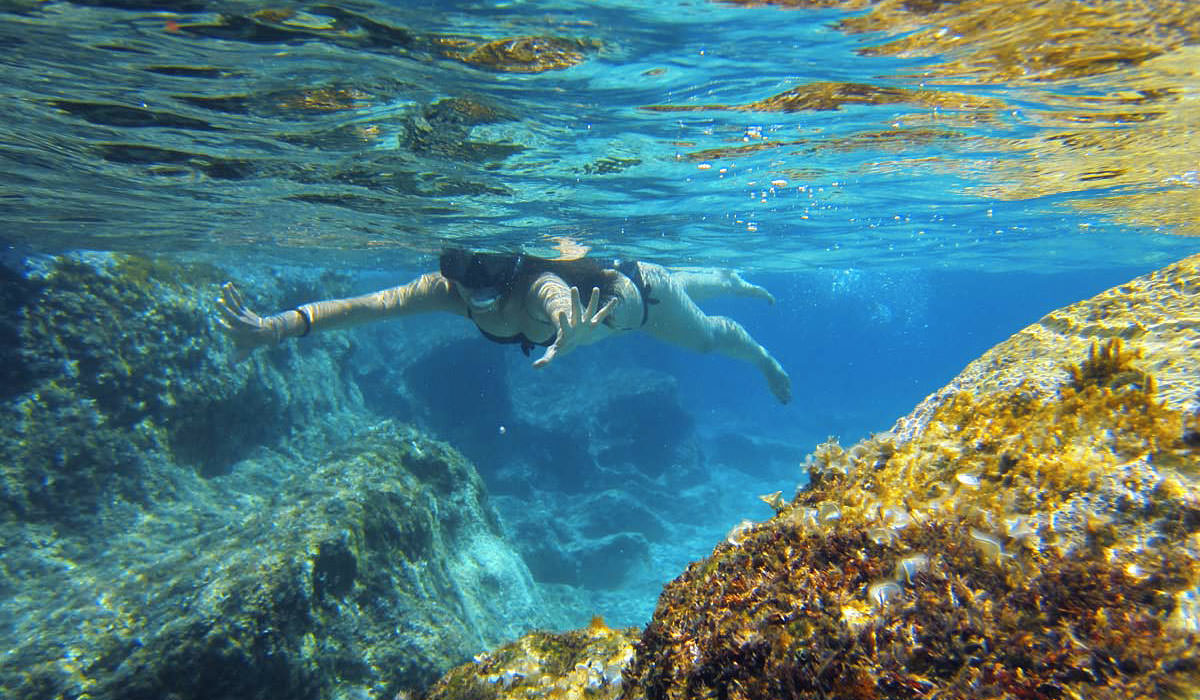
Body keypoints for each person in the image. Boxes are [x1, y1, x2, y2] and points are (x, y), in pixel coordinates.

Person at [216, 249, 792, 403]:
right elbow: (369, 306)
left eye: (493, 289)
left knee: (712, 338)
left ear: (510, 272)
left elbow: (556, 296)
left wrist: (567, 326)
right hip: (616, 296)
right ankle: (727, 276)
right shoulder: (450, 291)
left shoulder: (532, 285)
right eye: (472, 292)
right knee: (681, 283)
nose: (484, 305)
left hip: (644, 300)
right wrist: (277, 327)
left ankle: (762, 352)